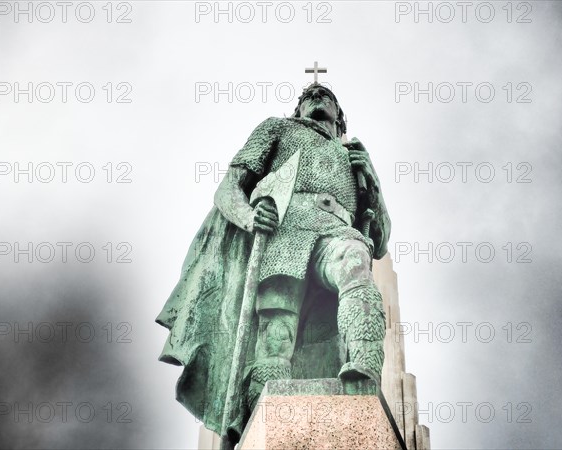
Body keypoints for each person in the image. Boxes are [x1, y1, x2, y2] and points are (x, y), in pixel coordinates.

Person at [156, 83, 391, 443]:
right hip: (285, 233)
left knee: (356, 262)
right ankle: (262, 422)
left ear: (338, 115)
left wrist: (371, 181)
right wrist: (250, 218)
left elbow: (381, 242)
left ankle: (364, 367)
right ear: (297, 109)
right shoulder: (276, 128)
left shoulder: (354, 157)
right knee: (275, 335)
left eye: (325, 95)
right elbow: (228, 187)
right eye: (308, 95)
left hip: (336, 231)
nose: (316, 97)